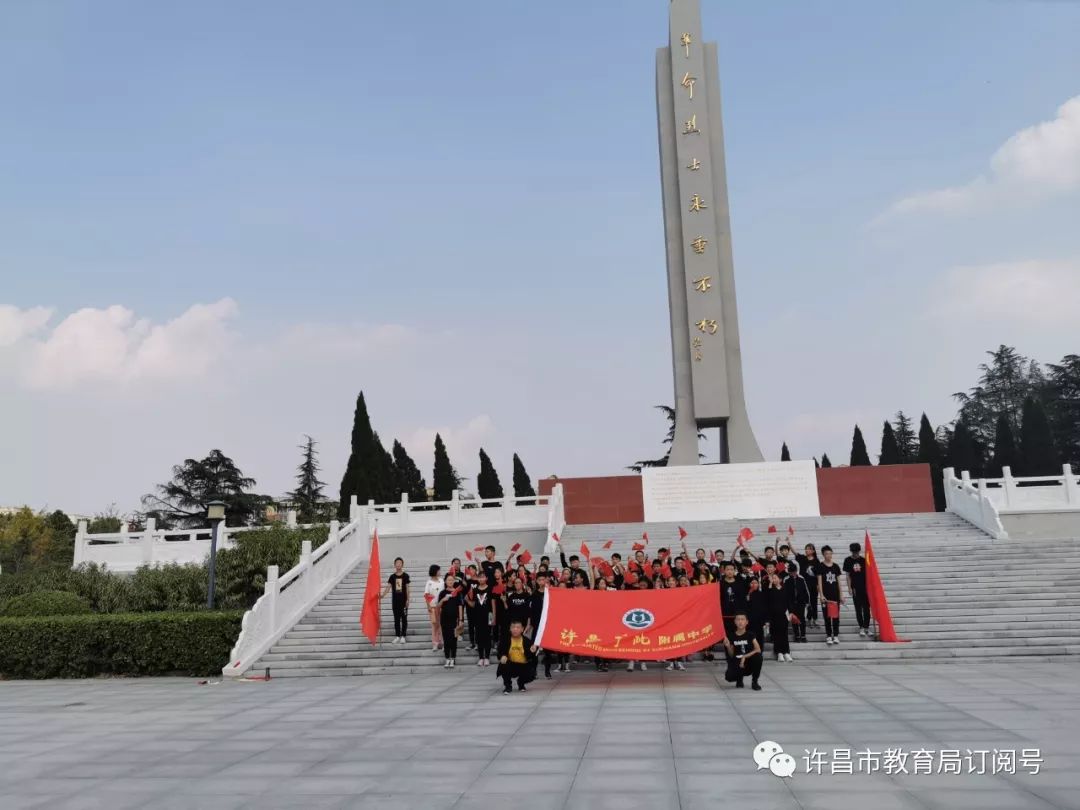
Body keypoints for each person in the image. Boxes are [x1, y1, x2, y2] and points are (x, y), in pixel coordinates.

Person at [723, 612, 762, 690]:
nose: (740, 622)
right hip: (737, 662)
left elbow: (758, 649)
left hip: (748, 662)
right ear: (735, 622)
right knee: (729, 677)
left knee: (758, 657)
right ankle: (739, 679)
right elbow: (731, 655)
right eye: (738, 619)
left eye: (742, 619)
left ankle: (755, 682)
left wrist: (745, 656)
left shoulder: (750, 635)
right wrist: (727, 647)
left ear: (747, 622)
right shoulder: (731, 636)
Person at [497, 619, 538, 693]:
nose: (515, 629)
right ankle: (508, 686)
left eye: (518, 627)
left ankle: (521, 683)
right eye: (513, 627)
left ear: (522, 629)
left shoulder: (527, 641)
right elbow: (499, 652)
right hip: (510, 664)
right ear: (510, 629)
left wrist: (533, 652)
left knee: (532, 673)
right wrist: (502, 656)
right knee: (503, 665)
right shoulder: (505, 640)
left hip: (523, 665)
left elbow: (532, 658)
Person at [817, 545, 845, 645]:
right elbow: (819, 581)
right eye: (826, 554)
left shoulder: (836, 566)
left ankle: (836, 635)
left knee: (836, 616)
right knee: (827, 616)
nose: (828, 555)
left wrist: (841, 595)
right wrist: (821, 595)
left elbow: (839, 582)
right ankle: (829, 635)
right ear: (823, 555)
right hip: (826, 596)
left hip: (835, 595)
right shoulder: (820, 566)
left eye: (830, 553)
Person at [435, 573, 464, 668]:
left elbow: (460, 607)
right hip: (444, 620)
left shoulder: (457, 593)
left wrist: (460, 620)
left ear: (454, 581)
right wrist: (443, 600)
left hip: (454, 620)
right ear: (445, 582)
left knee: (453, 640)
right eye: (448, 580)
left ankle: (453, 658)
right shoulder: (442, 593)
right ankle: (447, 658)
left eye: (452, 580)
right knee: (446, 640)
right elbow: (438, 607)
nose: (450, 582)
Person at [466, 573, 495, 666]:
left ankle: (487, 657)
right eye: (480, 577)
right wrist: (467, 600)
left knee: (487, 637)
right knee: (479, 637)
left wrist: (493, 617)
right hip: (477, 616)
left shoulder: (490, 589)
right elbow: (474, 604)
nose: (481, 579)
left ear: (486, 578)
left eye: (483, 577)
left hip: (488, 616)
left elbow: (493, 604)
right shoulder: (474, 590)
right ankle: (481, 658)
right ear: (477, 579)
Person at [843, 542, 871, 636]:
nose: (855, 554)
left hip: (865, 588)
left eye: (857, 552)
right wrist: (849, 588)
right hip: (855, 588)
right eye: (853, 552)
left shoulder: (864, 560)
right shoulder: (847, 560)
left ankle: (867, 627)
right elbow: (847, 576)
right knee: (858, 609)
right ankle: (861, 627)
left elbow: (869, 574)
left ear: (859, 551)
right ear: (851, 551)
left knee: (866, 609)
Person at [765, 572, 794, 662]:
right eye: (772, 578)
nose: (774, 580)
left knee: (784, 634)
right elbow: (768, 600)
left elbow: (789, 602)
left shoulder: (785, 589)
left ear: (780, 580)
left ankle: (786, 652)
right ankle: (779, 653)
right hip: (773, 616)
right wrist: (770, 583)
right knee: (776, 634)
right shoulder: (771, 589)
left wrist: (791, 612)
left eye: (775, 578)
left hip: (783, 615)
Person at [382, 557, 410, 644]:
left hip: (403, 601)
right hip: (395, 602)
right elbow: (388, 588)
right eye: (397, 563)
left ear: (402, 564)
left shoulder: (405, 576)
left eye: (400, 563)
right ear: (394, 565)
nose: (398, 564)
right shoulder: (392, 577)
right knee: (396, 619)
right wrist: (382, 595)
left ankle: (403, 636)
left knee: (404, 619)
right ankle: (397, 636)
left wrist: (408, 599)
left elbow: (407, 588)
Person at [796, 544, 820, 628]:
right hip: (804, 585)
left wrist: (818, 585)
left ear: (813, 551)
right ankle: (809, 619)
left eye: (809, 549)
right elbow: (795, 553)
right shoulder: (803, 559)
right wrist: (789, 543)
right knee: (807, 602)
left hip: (813, 585)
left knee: (814, 602)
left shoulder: (816, 561)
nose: (807, 550)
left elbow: (818, 574)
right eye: (806, 549)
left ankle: (815, 618)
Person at [424, 565, 444, 651]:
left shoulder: (442, 581)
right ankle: (435, 643)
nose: (440, 572)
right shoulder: (429, 582)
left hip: (442, 606)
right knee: (434, 625)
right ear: (435, 571)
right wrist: (428, 605)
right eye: (438, 570)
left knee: (442, 625)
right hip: (432, 606)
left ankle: (442, 642)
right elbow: (426, 595)